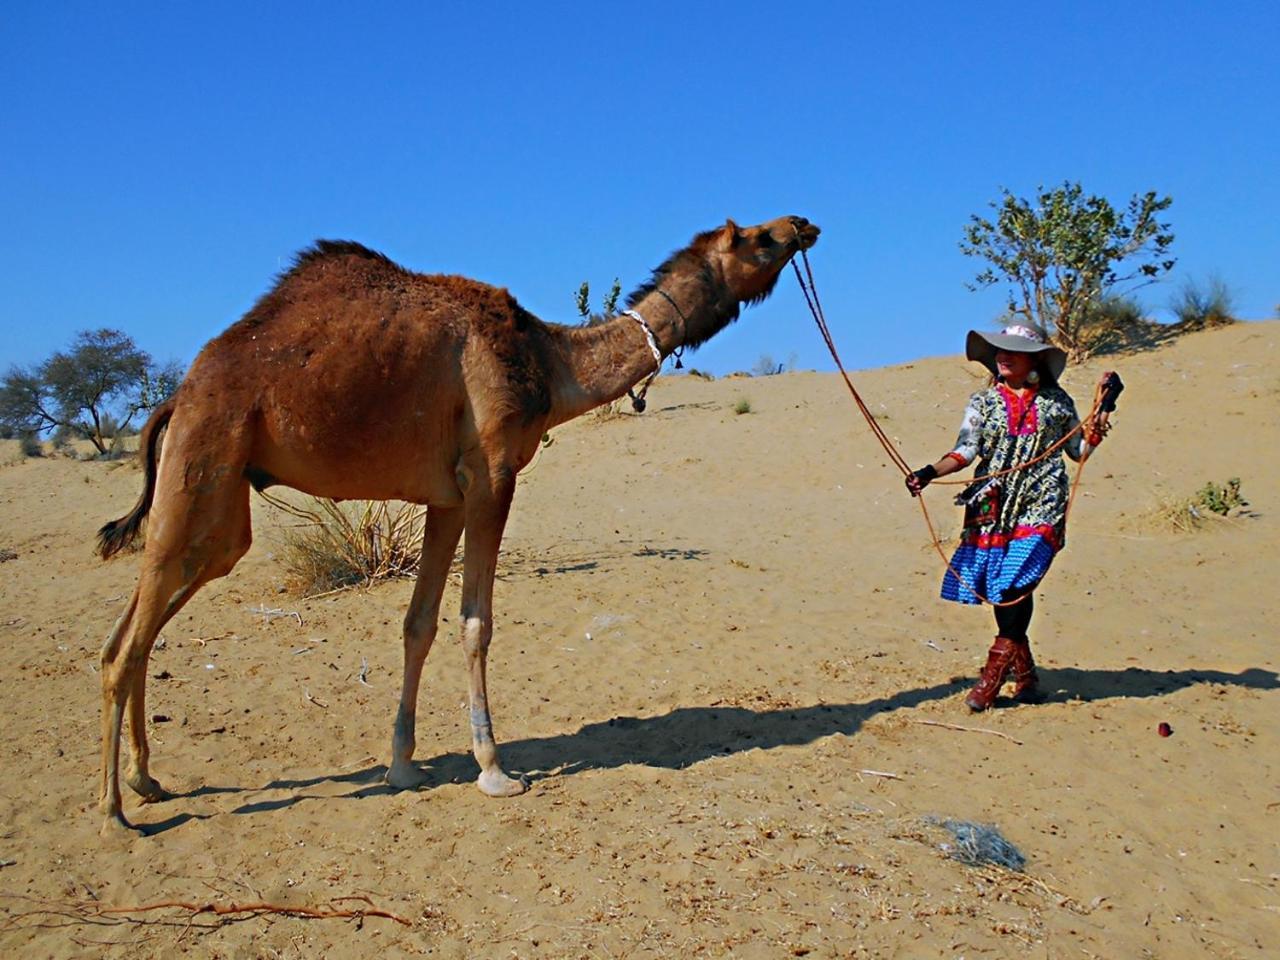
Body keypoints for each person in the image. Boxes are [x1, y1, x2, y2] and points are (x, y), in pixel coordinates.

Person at [905, 324, 1121, 712]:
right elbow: (966, 450)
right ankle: (1027, 678)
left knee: (1014, 583)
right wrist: (928, 473)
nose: (1003, 356)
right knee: (1004, 589)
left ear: (1034, 359)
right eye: (999, 350)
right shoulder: (983, 402)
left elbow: (1079, 450)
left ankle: (990, 680)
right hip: (993, 504)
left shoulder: (1057, 403)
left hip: (1042, 500)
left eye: (1014, 351)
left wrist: (1103, 409)